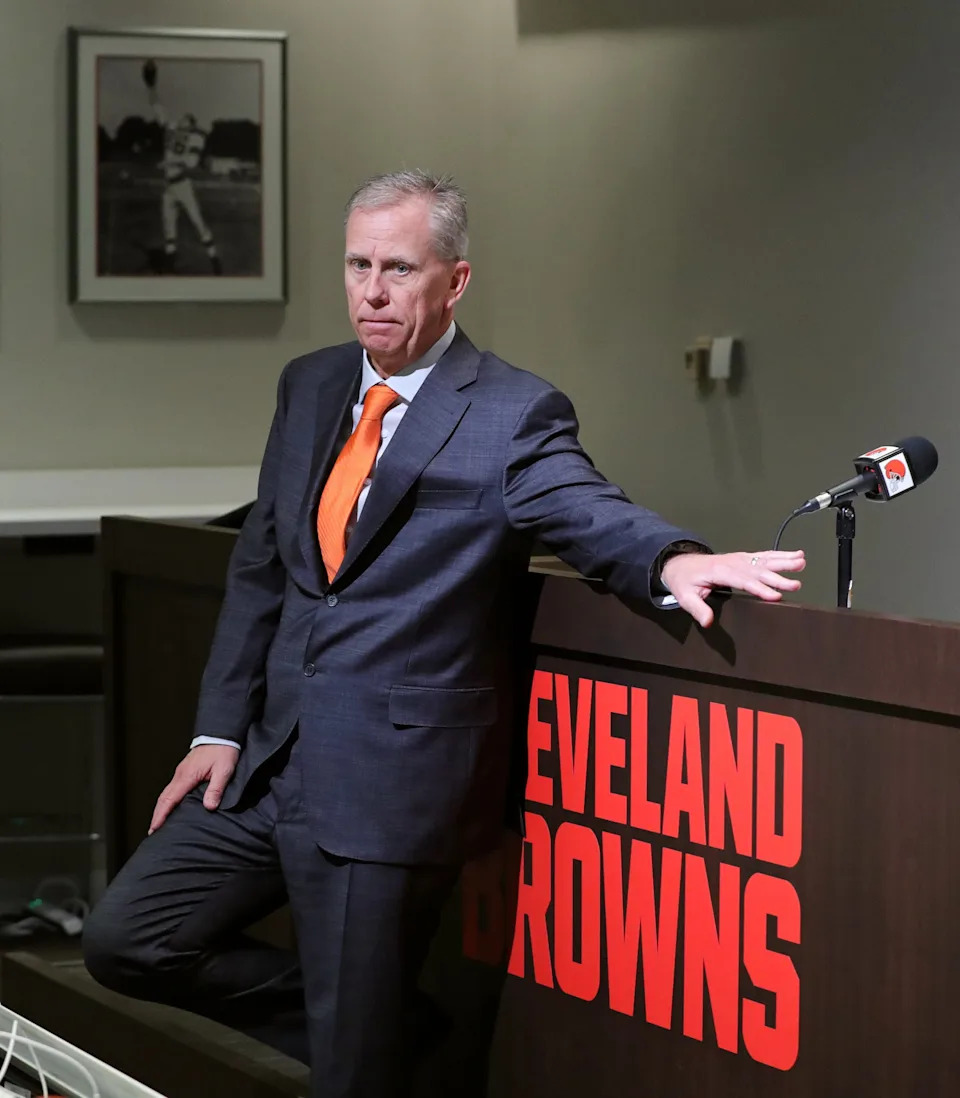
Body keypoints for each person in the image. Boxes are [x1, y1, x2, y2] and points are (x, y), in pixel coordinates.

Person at [82, 171, 805, 1097]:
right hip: (270, 762)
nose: (372, 292)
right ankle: (397, 1032)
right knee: (127, 939)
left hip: (389, 781)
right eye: (358, 266)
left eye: (398, 269)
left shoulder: (512, 412)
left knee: (350, 1074)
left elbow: (587, 508)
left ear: (454, 281)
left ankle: (371, 1041)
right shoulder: (310, 385)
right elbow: (263, 569)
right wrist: (217, 729)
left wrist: (671, 560)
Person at [142, 58, 222, 275]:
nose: (183, 119)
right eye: (184, 117)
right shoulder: (171, 128)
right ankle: (170, 264)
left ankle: (215, 260)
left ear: (192, 124)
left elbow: (191, 163)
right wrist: (151, 86)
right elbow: (156, 107)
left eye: (188, 119)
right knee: (169, 227)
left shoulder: (195, 137)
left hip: (183, 185)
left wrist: (169, 162)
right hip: (168, 186)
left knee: (198, 223)